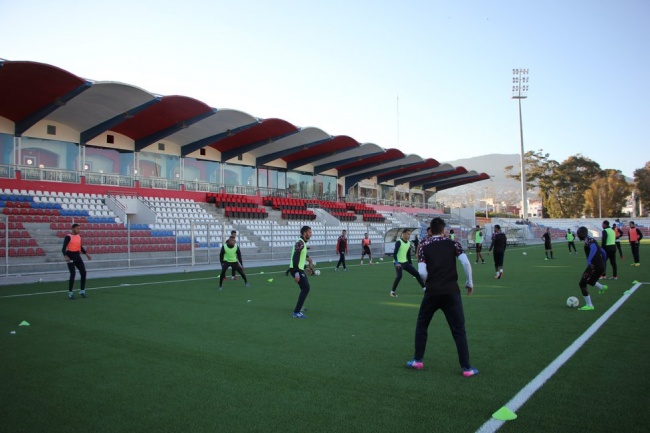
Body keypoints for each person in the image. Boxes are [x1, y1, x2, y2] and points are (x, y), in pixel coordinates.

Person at [406, 217, 478, 377]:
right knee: (459, 330)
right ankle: (467, 368)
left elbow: (423, 272)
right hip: (451, 291)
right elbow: (466, 263)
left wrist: (427, 283)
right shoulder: (453, 243)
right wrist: (469, 282)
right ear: (443, 229)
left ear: (430, 230)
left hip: (432, 292)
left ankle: (418, 360)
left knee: (422, 325)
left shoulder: (424, 246)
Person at [576, 226, 608, 311]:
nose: (577, 236)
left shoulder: (588, 240)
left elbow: (593, 248)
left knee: (582, 283)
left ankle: (589, 305)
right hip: (600, 266)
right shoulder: (592, 239)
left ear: (582, 234)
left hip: (593, 266)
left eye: (578, 234)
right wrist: (604, 264)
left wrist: (589, 261)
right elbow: (603, 253)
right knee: (590, 281)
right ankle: (602, 287)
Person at [390, 229, 425, 297]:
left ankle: (425, 289)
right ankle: (392, 292)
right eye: (408, 233)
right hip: (398, 262)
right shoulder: (399, 242)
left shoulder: (408, 243)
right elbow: (395, 254)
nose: (409, 235)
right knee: (399, 276)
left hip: (405, 262)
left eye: (409, 234)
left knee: (417, 274)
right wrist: (397, 263)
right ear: (403, 234)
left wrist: (410, 264)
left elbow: (408, 255)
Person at [62, 223, 92, 300]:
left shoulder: (78, 236)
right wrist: (66, 256)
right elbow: (63, 248)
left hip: (77, 256)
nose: (79, 230)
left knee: (83, 272)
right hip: (70, 256)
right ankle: (70, 292)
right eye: (77, 228)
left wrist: (86, 254)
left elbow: (80, 247)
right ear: (73, 228)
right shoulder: (68, 237)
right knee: (73, 274)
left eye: (79, 228)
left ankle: (82, 290)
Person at [290, 226, 312, 318]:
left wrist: (305, 267)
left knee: (305, 288)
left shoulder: (302, 242)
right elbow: (295, 257)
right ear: (304, 233)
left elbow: (301, 258)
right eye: (309, 232)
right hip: (296, 269)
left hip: (299, 269)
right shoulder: (300, 242)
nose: (311, 234)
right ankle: (296, 312)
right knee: (306, 288)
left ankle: (299, 307)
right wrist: (296, 272)